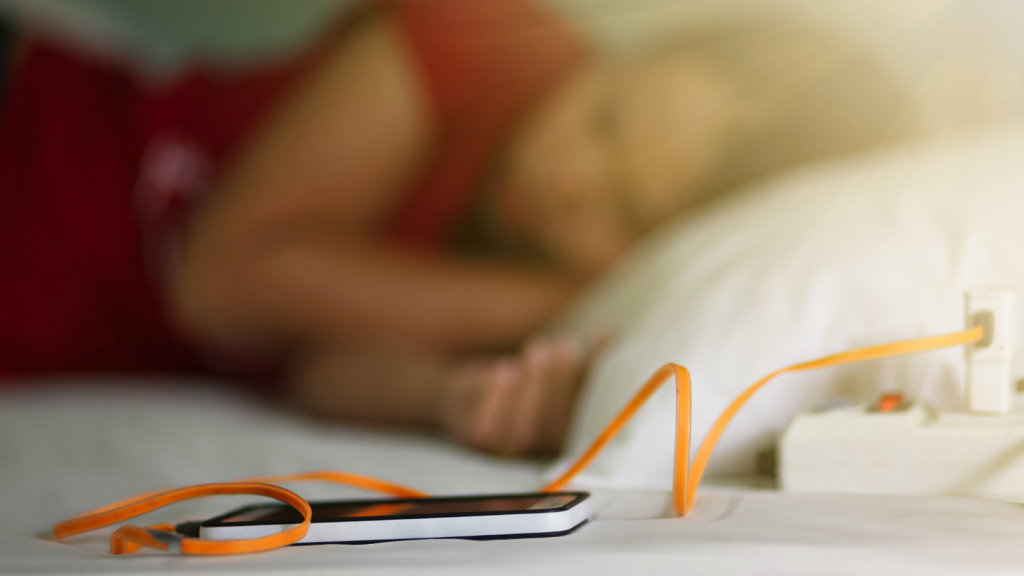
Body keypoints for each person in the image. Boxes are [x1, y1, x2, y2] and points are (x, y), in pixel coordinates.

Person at [0, 0, 912, 456]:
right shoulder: (485, 39)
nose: (567, 177)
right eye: (603, 118)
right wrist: (561, 295)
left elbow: (321, 367)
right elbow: (225, 279)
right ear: (623, 60)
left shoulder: (544, 291)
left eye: (623, 208)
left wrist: (448, 399)